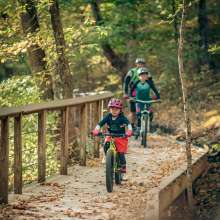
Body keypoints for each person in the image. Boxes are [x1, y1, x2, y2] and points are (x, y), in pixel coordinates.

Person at [92, 98, 132, 180]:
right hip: (110, 135)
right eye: (112, 109)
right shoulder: (108, 117)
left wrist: (129, 131)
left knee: (121, 153)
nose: (114, 111)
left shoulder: (122, 117)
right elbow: (100, 124)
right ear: (109, 109)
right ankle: (106, 156)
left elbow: (129, 124)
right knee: (106, 143)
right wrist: (96, 130)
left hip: (120, 136)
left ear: (120, 110)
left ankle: (123, 171)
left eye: (116, 109)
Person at [134, 67, 160, 134]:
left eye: (145, 75)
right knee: (138, 114)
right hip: (138, 101)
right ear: (139, 76)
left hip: (148, 100)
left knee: (150, 113)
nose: (143, 76)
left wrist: (158, 97)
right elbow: (131, 90)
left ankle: (148, 124)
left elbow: (155, 90)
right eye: (141, 75)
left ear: (147, 76)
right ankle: (138, 127)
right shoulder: (136, 83)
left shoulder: (149, 83)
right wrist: (130, 97)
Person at [123, 58, 147, 130]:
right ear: (136, 64)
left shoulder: (146, 72)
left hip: (143, 93)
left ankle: (145, 125)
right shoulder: (132, 72)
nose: (140, 65)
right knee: (133, 111)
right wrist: (125, 93)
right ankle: (132, 126)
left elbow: (151, 83)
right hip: (132, 93)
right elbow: (126, 83)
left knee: (145, 109)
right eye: (139, 63)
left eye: (142, 64)